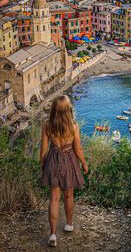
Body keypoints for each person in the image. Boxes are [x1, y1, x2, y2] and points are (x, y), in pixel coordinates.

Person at [40, 95, 88, 247]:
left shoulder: (47, 125)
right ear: (68, 109)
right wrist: (84, 164)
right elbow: (78, 149)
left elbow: (43, 148)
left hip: (53, 160)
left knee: (54, 197)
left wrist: (43, 163)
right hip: (69, 161)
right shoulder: (74, 126)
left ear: (54, 109)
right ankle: (68, 224)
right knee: (69, 195)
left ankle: (53, 234)